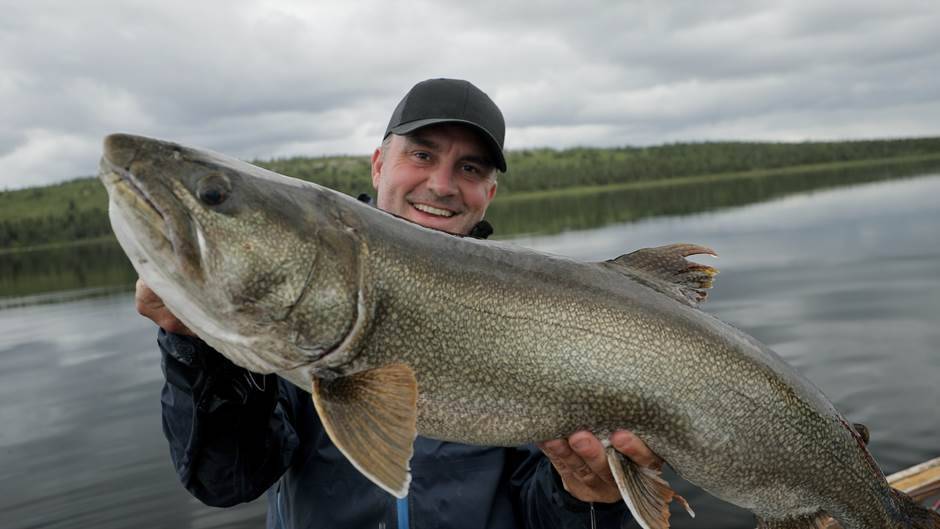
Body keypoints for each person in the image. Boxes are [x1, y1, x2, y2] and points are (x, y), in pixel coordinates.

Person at [138, 78, 662, 529]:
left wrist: (588, 496)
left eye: (471, 169)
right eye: (422, 154)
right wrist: (198, 350)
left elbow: (541, 512)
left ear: (489, 194)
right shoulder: (301, 303)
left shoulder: (535, 319)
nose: (442, 184)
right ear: (378, 165)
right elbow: (228, 479)